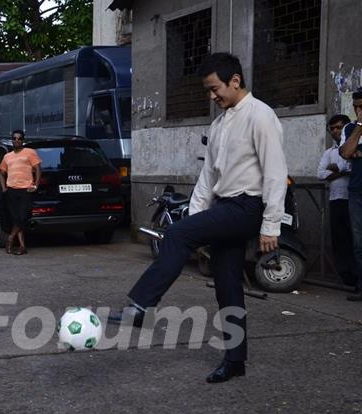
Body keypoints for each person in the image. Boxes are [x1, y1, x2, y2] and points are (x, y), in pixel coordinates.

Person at [110, 52, 288, 383]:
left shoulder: (261, 116)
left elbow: (276, 172)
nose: (212, 96)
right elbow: (208, 176)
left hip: (248, 207)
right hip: (224, 208)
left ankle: (140, 307)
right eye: (208, 90)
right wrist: (194, 216)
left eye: (215, 88)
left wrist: (271, 224)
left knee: (175, 237)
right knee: (227, 287)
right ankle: (236, 362)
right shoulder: (220, 123)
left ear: (235, 81)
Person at [317, 114, 356, 287]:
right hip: (336, 199)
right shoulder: (329, 152)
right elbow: (320, 174)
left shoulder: (355, 147)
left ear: (347, 127)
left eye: (339, 127)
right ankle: (346, 277)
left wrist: (335, 169)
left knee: (355, 238)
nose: (335, 131)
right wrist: (342, 171)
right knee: (339, 239)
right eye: (332, 128)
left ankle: (357, 276)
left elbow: (351, 168)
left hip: (353, 199)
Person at [0, 130, 41, 255]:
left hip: (26, 189)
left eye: (19, 138)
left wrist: (36, 185)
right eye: (14, 138)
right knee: (16, 218)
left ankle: (10, 239)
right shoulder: (7, 156)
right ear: (12, 140)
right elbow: (1, 173)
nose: (17, 140)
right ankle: (22, 246)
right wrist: (3, 187)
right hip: (11, 190)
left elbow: (38, 169)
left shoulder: (30, 152)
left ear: (23, 140)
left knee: (23, 217)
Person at [339, 90, 362, 301]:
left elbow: (354, 153)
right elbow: (347, 153)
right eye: (356, 107)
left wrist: (358, 152)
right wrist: (361, 126)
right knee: (359, 242)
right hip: (357, 191)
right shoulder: (350, 128)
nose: (358, 110)